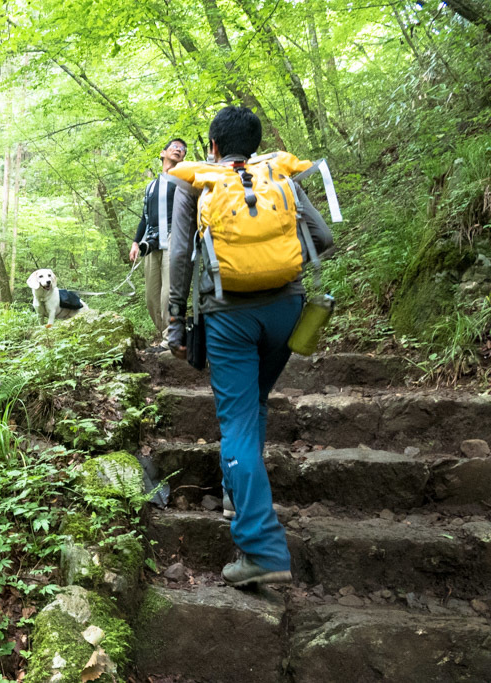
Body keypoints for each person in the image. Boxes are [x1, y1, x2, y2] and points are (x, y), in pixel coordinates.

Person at [166, 107, 334, 587]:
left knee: (236, 420)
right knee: (255, 403)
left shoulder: (195, 183)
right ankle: (240, 496)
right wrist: (277, 266)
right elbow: (322, 237)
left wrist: (175, 321)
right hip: (287, 310)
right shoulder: (276, 177)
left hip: (228, 316)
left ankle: (262, 548)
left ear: (212, 148)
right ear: (255, 146)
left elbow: (180, 255)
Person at [129, 138, 187, 342]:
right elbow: (144, 217)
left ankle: (170, 336)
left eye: (183, 150)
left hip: (175, 236)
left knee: (169, 292)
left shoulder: (184, 181)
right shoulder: (151, 187)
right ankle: (164, 332)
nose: (179, 150)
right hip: (152, 240)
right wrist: (136, 242)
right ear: (163, 153)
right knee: (151, 297)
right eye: (175, 147)